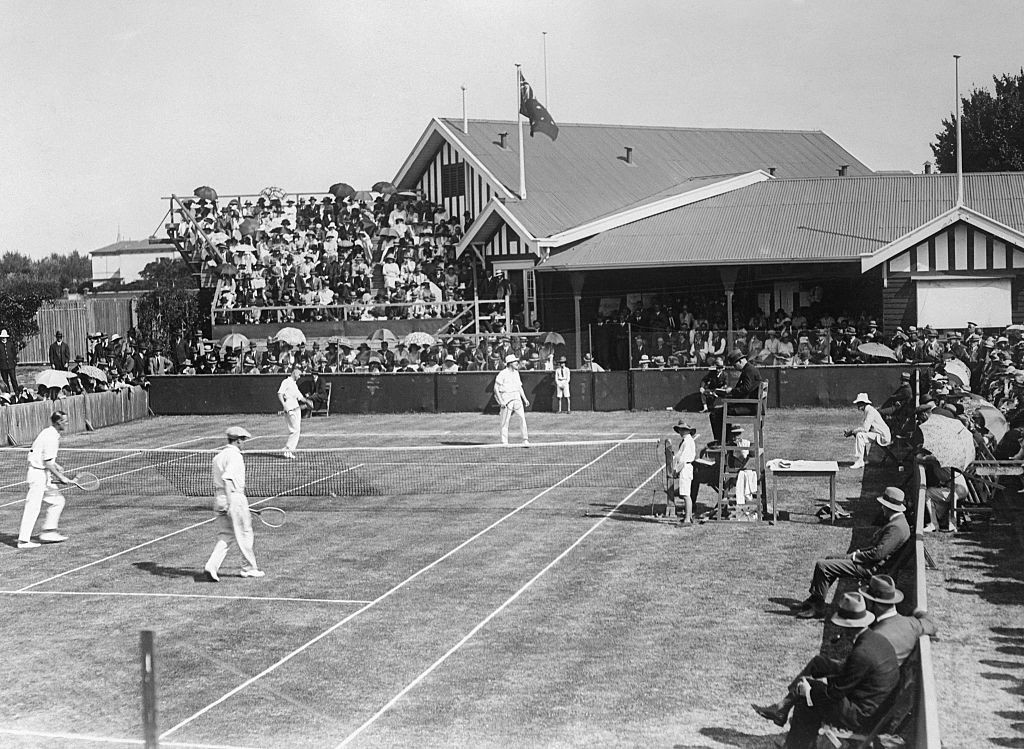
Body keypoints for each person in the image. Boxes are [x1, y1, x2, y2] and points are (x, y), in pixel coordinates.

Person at [751, 592, 900, 747]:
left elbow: (834, 694)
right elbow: (852, 677)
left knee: (807, 698)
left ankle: (796, 745)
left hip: (861, 715)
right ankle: (783, 708)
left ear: (848, 627)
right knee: (819, 664)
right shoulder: (877, 640)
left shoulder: (861, 654)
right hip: (876, 705)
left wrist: (809, 690)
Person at [795, 487, 911, 619]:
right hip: (873, 564)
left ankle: (817, 606)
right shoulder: (899, 523)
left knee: (823, 566)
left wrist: (856, 556)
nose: (882, 508)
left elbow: (878, 554)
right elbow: (879, 550)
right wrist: (859, 552)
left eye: (884, 505)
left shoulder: (896, 527)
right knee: (830, 558)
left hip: (872, 568)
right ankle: (815, 599)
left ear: (889, 507)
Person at [203, 426, 264, 581]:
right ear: (238, 440)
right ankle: (249, 568)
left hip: (219, 499)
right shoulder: (236, 457)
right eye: (243, 440)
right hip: (232, 498)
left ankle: (211, 566)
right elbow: (227, 479)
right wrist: (232, 504)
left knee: (226, 535)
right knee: (244, 534)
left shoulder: (218, 457)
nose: (244, 443)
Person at [17, 411, 73, 549]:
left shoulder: (49, 433)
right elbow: (47, 462)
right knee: (33, 507)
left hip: (43, 474)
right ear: (58, 422)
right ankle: (23, 541)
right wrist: (62, 477)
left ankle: (48, 532)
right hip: (37, 475)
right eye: (65, 421)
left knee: (58, 501)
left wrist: (57, 466)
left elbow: (44, 456)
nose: (67, 423)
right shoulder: (50, 437)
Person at [859, 574, 937, 666]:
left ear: (871, 602)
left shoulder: (874, 637)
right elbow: (930, 623)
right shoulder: (912, 624)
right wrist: (916, 611)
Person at [709, 349, 763, 442]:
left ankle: (721, 442)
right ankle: (726, 441)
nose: (735, 368)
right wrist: (730, 393)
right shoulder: (749, 369)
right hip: (752, 405)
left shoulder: (749, 370)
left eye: (735, 365)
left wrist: (731, 391)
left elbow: (745, 389)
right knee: (722, 410)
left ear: (740, 361)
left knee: (715, 414)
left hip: (750, 407)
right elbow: (745, 389)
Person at [845, 393, 891, 469]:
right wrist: (853, 432)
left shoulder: (870, 411)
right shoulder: (868, 410)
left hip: (883, 436)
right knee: (859, 434)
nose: (858, 405)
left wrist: (852, 431)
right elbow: (866, 428)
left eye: (859, 403)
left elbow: (865, 429)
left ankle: (860, 461)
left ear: (864, 403)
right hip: (878, 434)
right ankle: (864, 459)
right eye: (857, 403)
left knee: (860, 435)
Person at [494, 353, 529, 446]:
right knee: (505, 421)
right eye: (515, 362)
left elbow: (519, 387)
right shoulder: (502, 373)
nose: (517, 363)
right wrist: (501, 401)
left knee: (522, 418)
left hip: (517, 397)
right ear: (510, 363)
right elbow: (496, 388)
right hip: (506, 398)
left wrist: (525, 399)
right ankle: (504, 441)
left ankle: (525, 439)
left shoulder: (516, 373)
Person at [278, 366, 312, 459]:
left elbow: (300, 397)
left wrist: (308, 401)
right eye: (299, 375)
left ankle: (288, 449)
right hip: (290, 409)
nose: (300, 377)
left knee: (297, 431)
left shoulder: (294, 384)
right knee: (294, 430)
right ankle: (287, 450)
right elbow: (280, 393)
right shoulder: (286, 382)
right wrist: (284, 405)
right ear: (295, 373)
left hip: (296, 409)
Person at [671, 420, 697, 524]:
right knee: (685, 494)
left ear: (686, 430)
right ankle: (688, 517)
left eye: (682, 429)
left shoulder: (687, 441)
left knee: (686, 495)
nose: (680, 432)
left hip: (685, 468)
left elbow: (683, 460)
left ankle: (687, 519)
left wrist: (675, 471)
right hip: (685, 468)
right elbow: (679, 456)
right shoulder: (686, 441)